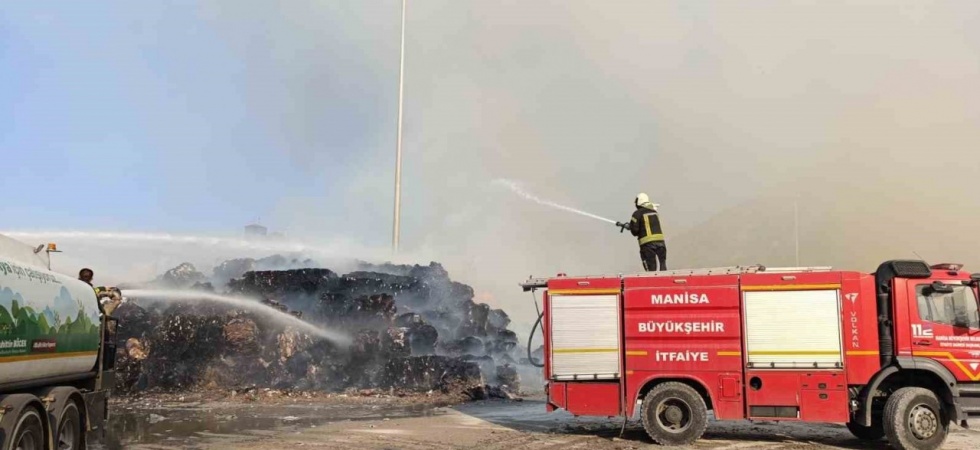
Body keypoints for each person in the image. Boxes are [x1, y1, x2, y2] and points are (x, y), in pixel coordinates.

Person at [628, 193, 667, 271]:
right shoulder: (654, 212)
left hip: (648, 245)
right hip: (661, 243)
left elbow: (635, 231)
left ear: (639, 201)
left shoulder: (637, 214)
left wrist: (631, 227)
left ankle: (653, 283)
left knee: (651, 269)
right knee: (662, 265)